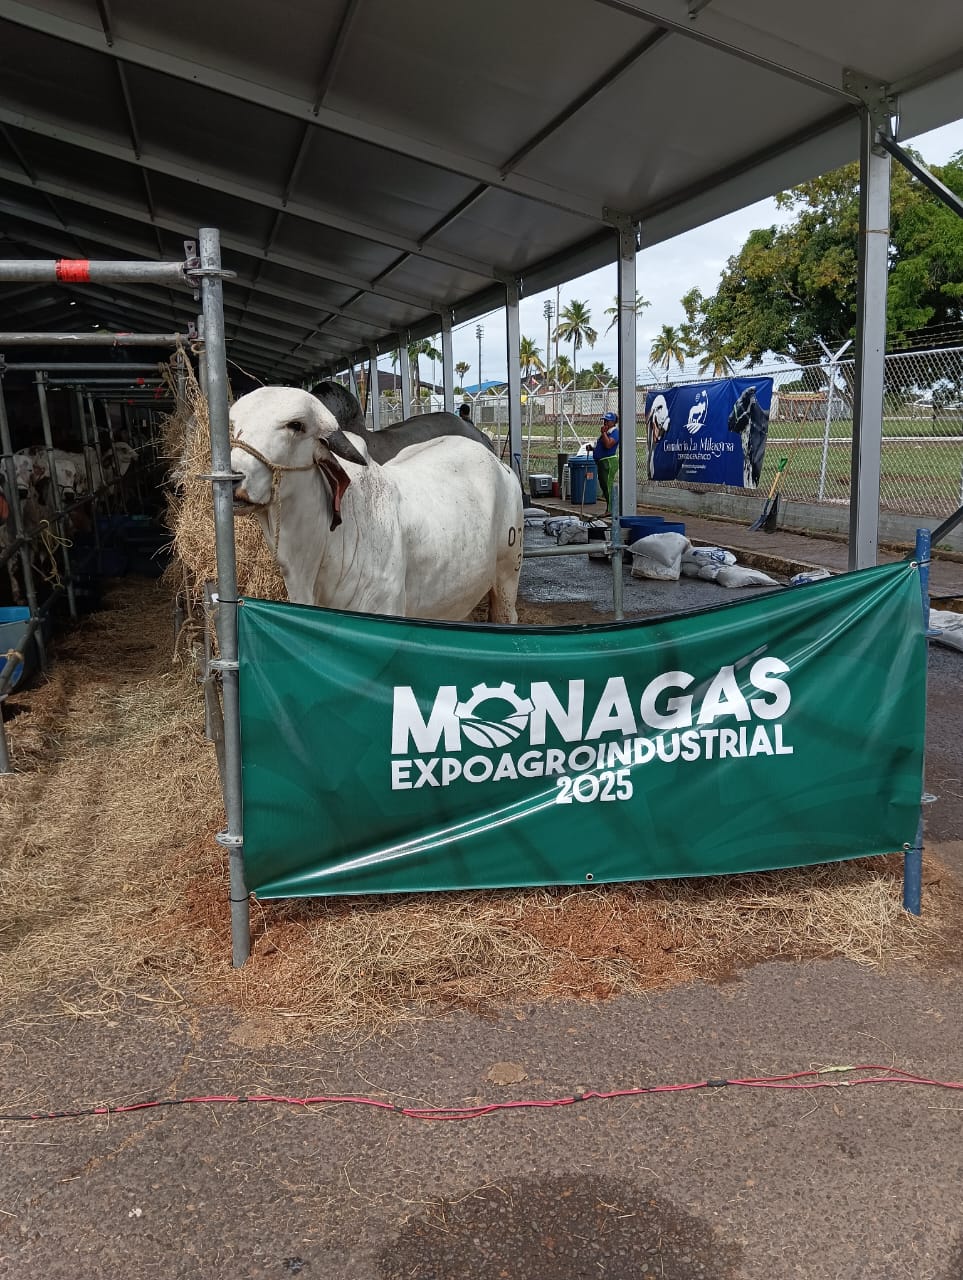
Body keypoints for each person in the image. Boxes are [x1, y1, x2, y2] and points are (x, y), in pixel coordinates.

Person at [592, 411, 620, 509]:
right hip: (602, 462)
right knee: (604, 485)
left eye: (607, 421)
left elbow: (608, 445)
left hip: (608, 462)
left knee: (607, 485)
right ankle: (609, 507)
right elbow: (602, 446)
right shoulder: (608, 432)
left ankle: (611, 509)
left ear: (613, 422)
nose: (605, 423)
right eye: (604, 421)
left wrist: (603, 433)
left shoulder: (615, 432)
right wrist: (593, 449)